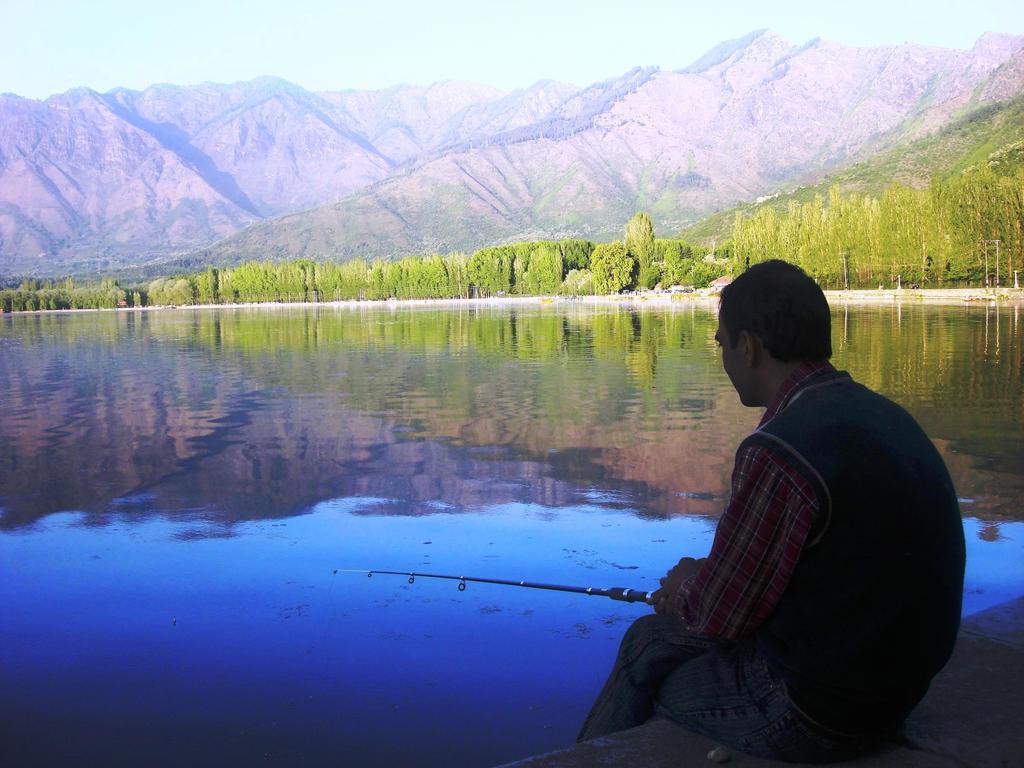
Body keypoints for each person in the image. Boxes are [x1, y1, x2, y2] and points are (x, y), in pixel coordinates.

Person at [578, 260, 965, 762]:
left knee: (645, 656)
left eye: (720, 343)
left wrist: (686, 585)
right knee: (661, 640)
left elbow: (719, 619)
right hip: (899, 690)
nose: (722, 357)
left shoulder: (779, 449)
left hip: (821, 713)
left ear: (749, 346)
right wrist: (708, 577)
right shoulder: (882, 414)